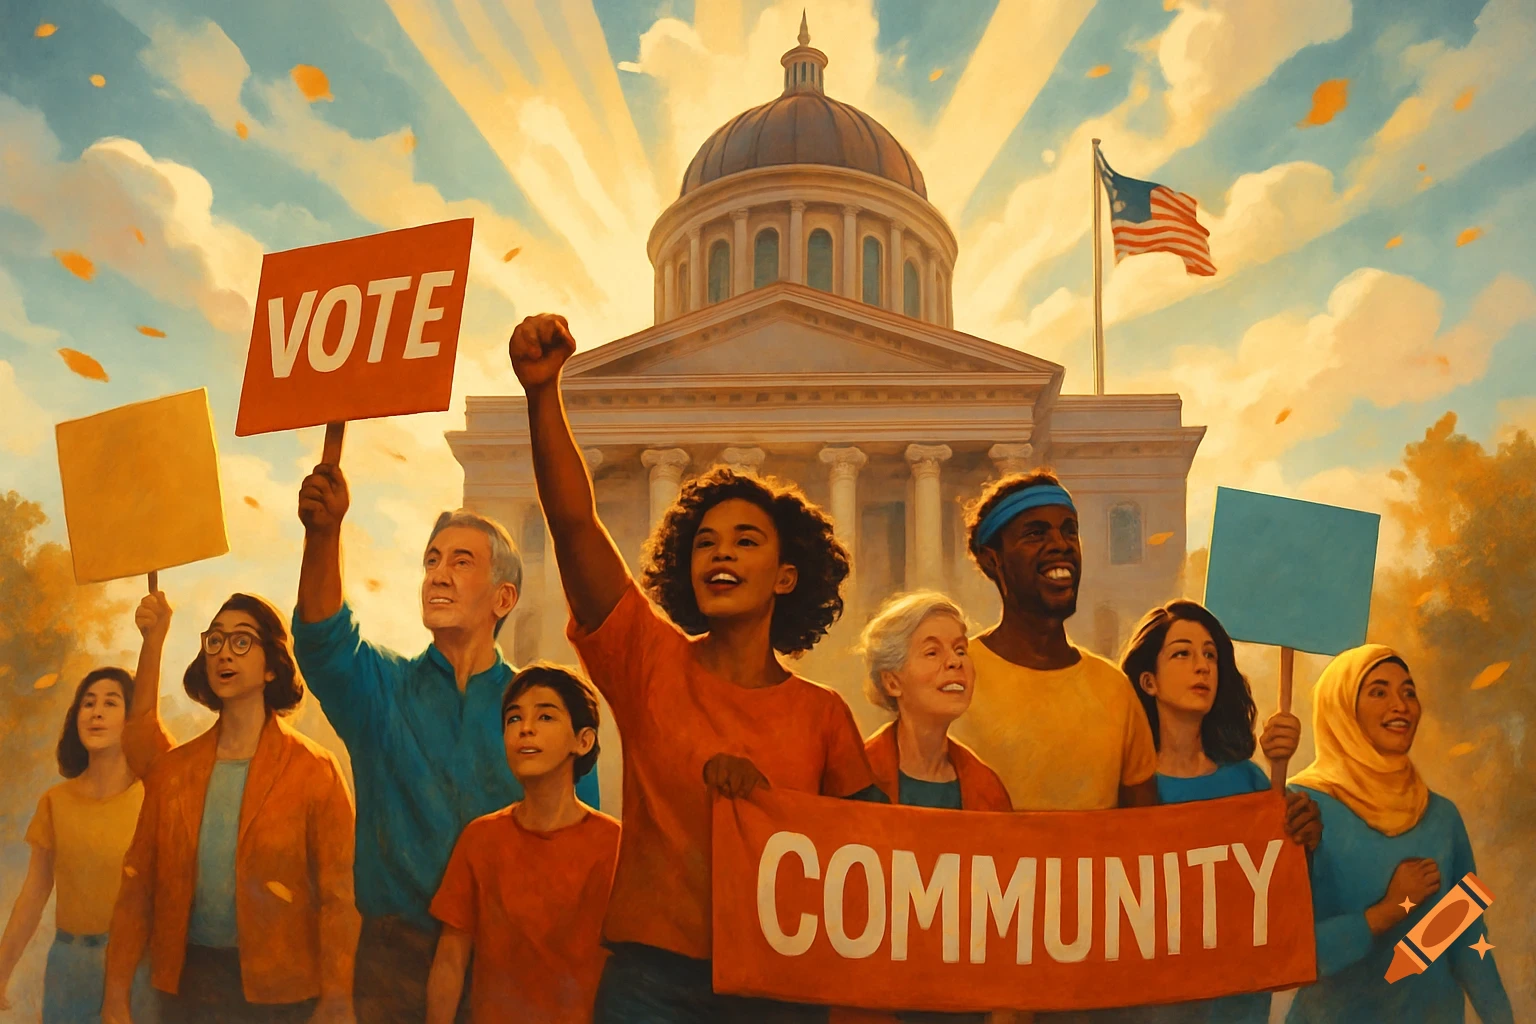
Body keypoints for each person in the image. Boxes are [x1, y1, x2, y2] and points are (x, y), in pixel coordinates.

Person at [510, 311, 880, 1023]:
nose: (720, 554)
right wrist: (542, 393)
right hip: (653, 987)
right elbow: (574, 525)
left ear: (786, 576)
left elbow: (867, 860)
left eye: (746, 541)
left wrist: (770, 806)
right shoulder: (645, 660)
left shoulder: (822, 714)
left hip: (780, 988)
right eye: (705, 542)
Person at [293, 475, 600, 1023]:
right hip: (394, 967)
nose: (437, 575)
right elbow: (322, 639)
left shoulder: (546, 716)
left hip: (516, 968)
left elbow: (582, 844)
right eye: (432, 561)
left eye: (461, 562)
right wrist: (324, 534)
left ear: (503, 598)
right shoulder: (379, 687)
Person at [103, 591, 358, 1024]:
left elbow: (340, 898)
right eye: (215, 641)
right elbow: (136, 886)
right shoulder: (177, 771)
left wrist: (336, 995)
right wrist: (115, 994)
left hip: (282, 993)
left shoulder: (314, 769)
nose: (224, 654)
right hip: (189, 987)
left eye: (242, 642)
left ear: (272, 664)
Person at [1114, 599, 1323, 1023]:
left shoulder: (1246, 782)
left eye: (1210, 654)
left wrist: (1302, 837)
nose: (1202, 666)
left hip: (1237, 1010)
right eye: (1182, 653)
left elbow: (1282, 901)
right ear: (1148, 681)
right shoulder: (1121, 788)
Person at [1285, 645, 1512, 1024]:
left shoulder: (1442, 817)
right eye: (1379, 692)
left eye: (1408, 692)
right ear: (1341, 709)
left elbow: (1466, 942)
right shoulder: (1300, 809)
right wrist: (1384, 913)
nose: (1401, 705)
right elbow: (1285, 952)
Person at [833, 591, 1013, 1024]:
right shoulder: (854, 781)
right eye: (932, 651)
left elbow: (1009, 928)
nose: (955, 663)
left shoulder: (987, 789)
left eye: (960, 650)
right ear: (893, 682)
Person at [948, 472, 1158, 812]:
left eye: (1070, 530)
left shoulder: (1114, 689)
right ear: (992, 559)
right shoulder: (953, 676)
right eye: (1035, 533)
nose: (1061, 544)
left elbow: (1149, 835)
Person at [425, 663, 620, 1024]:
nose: (525, 728)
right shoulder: (481, 839)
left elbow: (628, 974)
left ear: (584, 740)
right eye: (514, 719)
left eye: (545, 717)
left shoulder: (614, 845)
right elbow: (451, 960)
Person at [0, 668, 156, 1023]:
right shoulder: (55, 802)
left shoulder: (150, 798)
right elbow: (34, 893)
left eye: (110, 703)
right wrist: (2, 969)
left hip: (135, 965)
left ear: (131, 719)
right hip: (67, 967)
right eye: (88, 703)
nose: (96, 712)